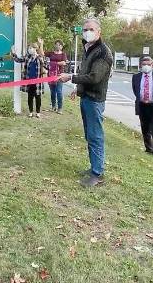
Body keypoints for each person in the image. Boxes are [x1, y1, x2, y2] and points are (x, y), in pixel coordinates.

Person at [59, 18, 113, 188]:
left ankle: (98, 174)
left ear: (98, 32)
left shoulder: (103, 52)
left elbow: (95, 77)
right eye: (84, 29)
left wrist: (71, 78)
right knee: (90, 135)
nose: (87, 32)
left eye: (90, 29)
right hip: (86, 97)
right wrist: (78, 88)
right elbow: (87, 73)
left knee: (95, 136)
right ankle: (93, 168)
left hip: (95, 100)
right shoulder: (88, 49)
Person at [132, 56, 153, 158]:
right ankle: (148, 148)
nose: (146, 66)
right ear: (141, 65)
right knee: (145, 129)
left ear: (152, 65)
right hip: (142, 105)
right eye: (144, 64)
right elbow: (135, 90)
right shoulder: (136, 77)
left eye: (148, 64)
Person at [12, 42, 46, 118]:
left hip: (37, 81)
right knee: (30, 97)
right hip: (29, 81)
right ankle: (30, 112)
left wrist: (41, 46)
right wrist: (14, 53)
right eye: (29, 48)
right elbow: (18, 60)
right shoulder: (28, 57)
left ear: (35, 49)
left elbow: (46, 65)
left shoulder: (40, 57)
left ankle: (38, 112)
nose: (29, 49)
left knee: (38, 97)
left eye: (31, 48)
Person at [42, 39, 68, 114]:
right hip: (51, 74)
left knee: (59, 91)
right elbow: (42, 54)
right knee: (52, 92)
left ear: (62, 46)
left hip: (59, 75)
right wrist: (41, 44)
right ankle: (53, 106)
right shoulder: (51, 53)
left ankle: (60, 108)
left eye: (59, 45)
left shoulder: (63, 54)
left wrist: (53, 63)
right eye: (56, 44)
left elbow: (64, 63)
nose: (58, 46)